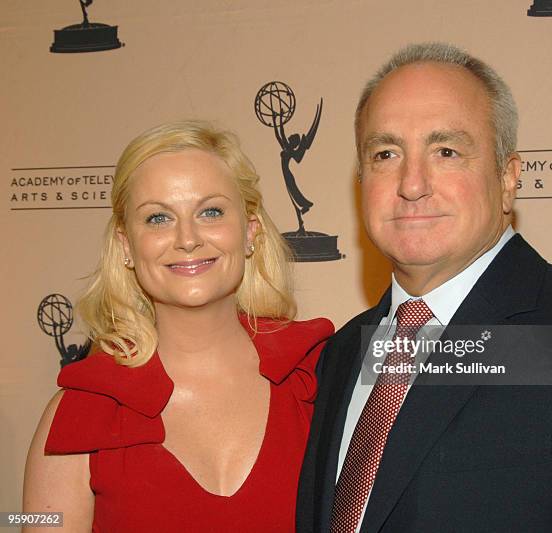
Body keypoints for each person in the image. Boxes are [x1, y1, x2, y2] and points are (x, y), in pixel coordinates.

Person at [297, 42, 552, 532]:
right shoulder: (341, 353)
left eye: (446, 151)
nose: (412, 183)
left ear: (507, 178)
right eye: (386, 153)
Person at [23, 120, 333, 532]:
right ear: (125, 245)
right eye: (157, 218)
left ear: (249, 232)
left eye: (210, 211)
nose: (187, 238)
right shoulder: (79, 412)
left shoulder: (320, 375)